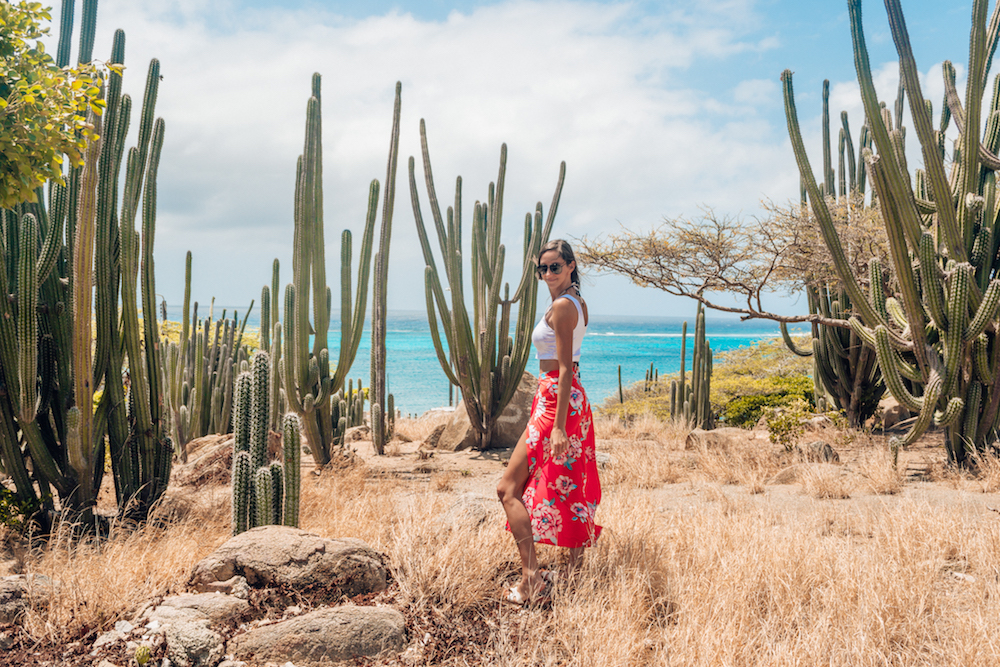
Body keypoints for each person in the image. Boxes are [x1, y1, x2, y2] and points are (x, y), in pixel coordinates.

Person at [496, 239, 601, 605]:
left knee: (507, 489)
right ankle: (572, 577)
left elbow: (565, 369)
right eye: (542, 269)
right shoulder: (576, 302)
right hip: (560, 398)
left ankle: (531, 581)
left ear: (571, 266)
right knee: (568, 487)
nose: (547, 274)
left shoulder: (562, 306)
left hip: (557, 398)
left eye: (555, 267)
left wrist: (556, 425)